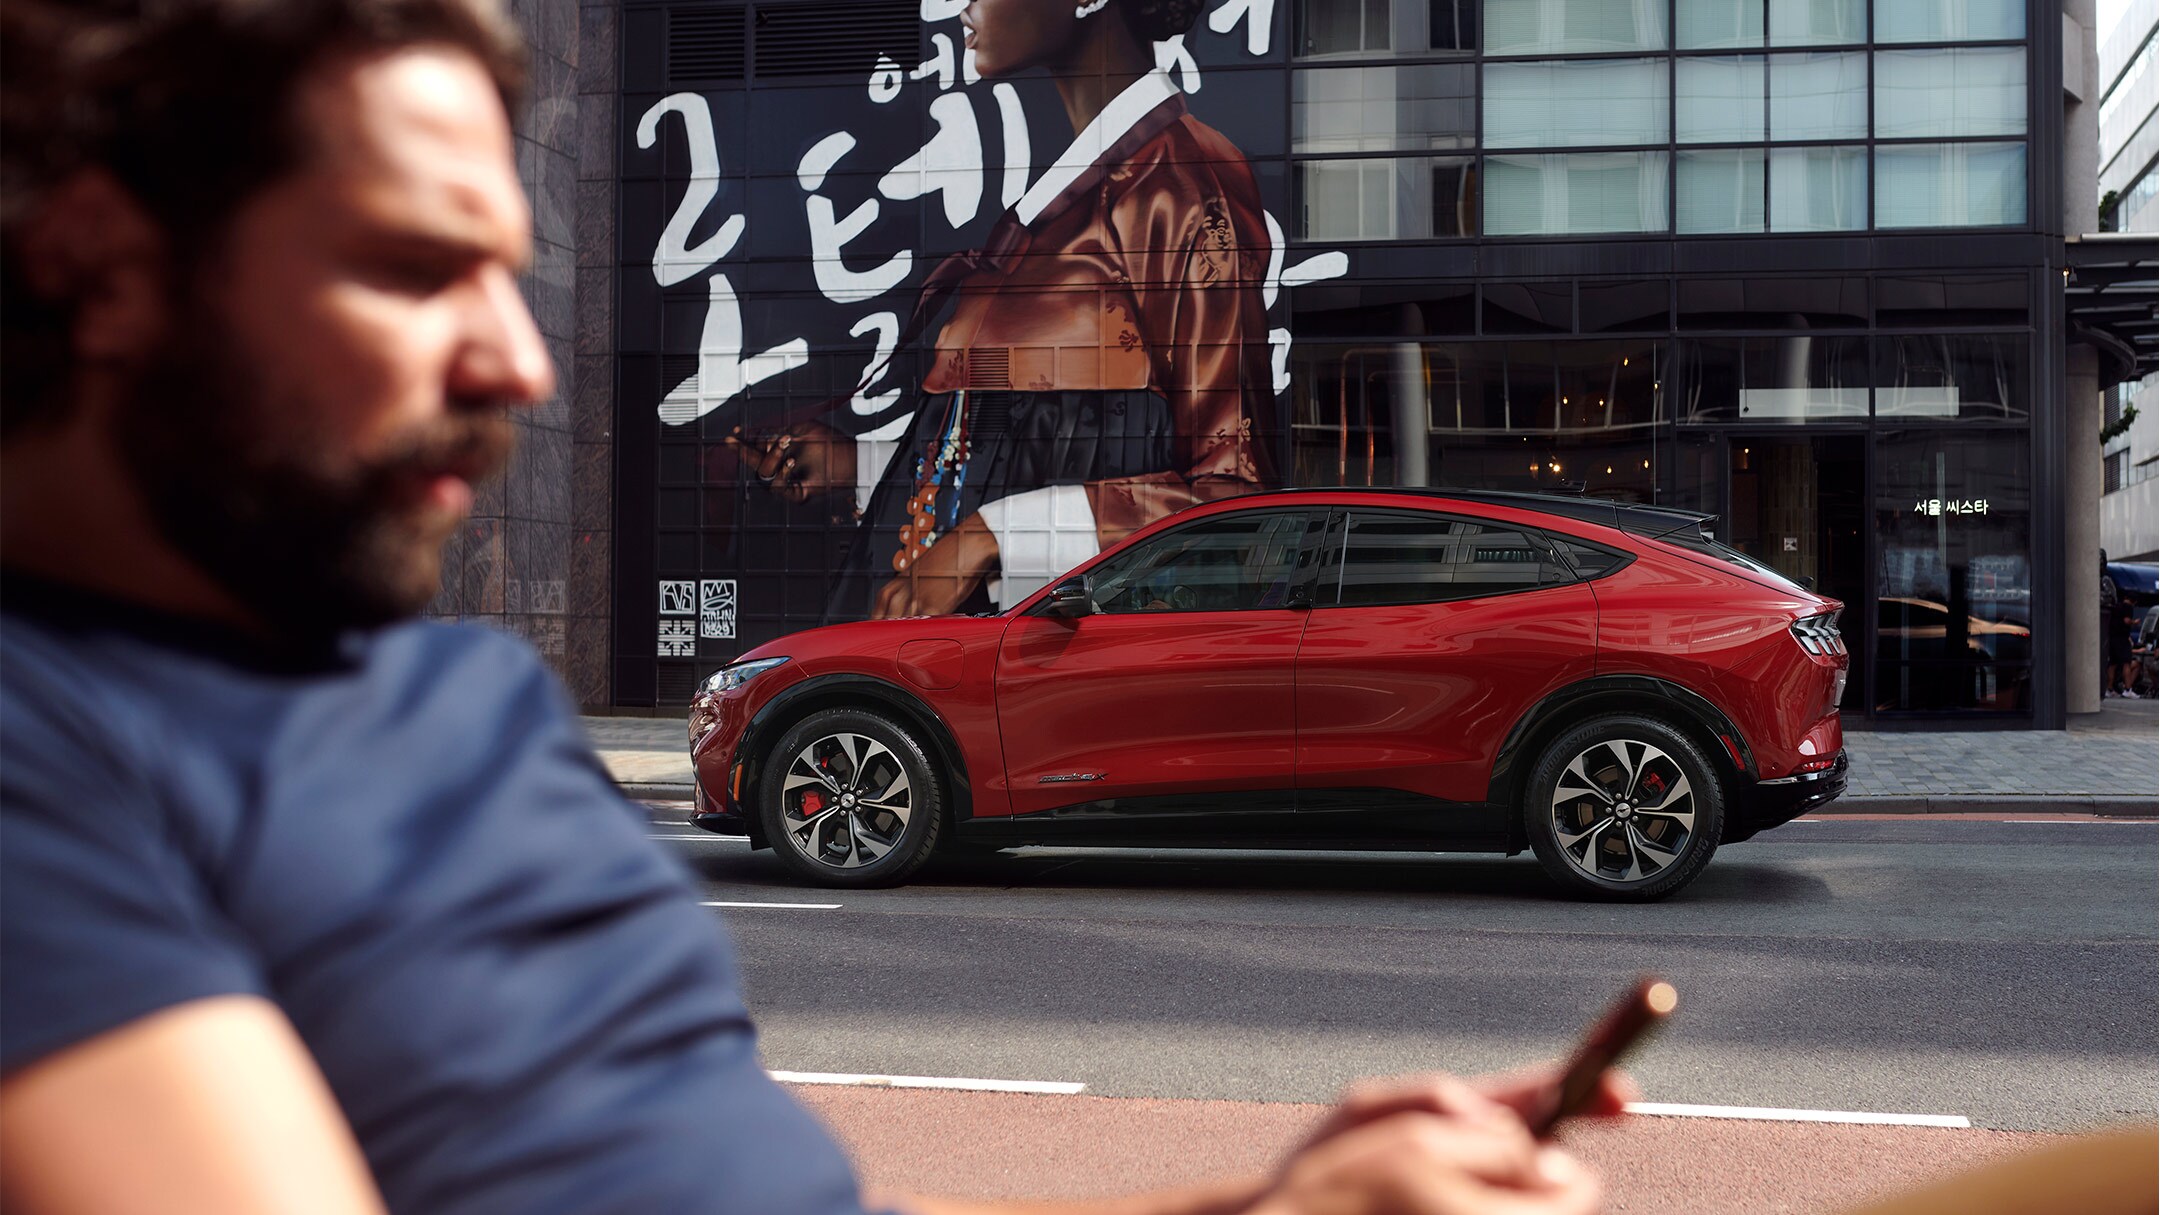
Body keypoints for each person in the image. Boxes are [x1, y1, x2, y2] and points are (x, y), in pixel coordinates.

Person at [0, 3, 1614, 1213]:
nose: (522, 360)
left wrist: (1279, 1202)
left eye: (509, 272)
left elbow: (1216, 467)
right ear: (102, 258)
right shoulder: (49, 748)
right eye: (417, 271)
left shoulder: (473, 714)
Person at [732, 0, 1276, 622]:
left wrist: (988, 538)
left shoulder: (1180, 189)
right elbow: (1023, 447)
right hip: (952, 661)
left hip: (1051, 672)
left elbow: (1235, 490)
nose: (958, 5)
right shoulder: (1074, 193)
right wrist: (861, 468)